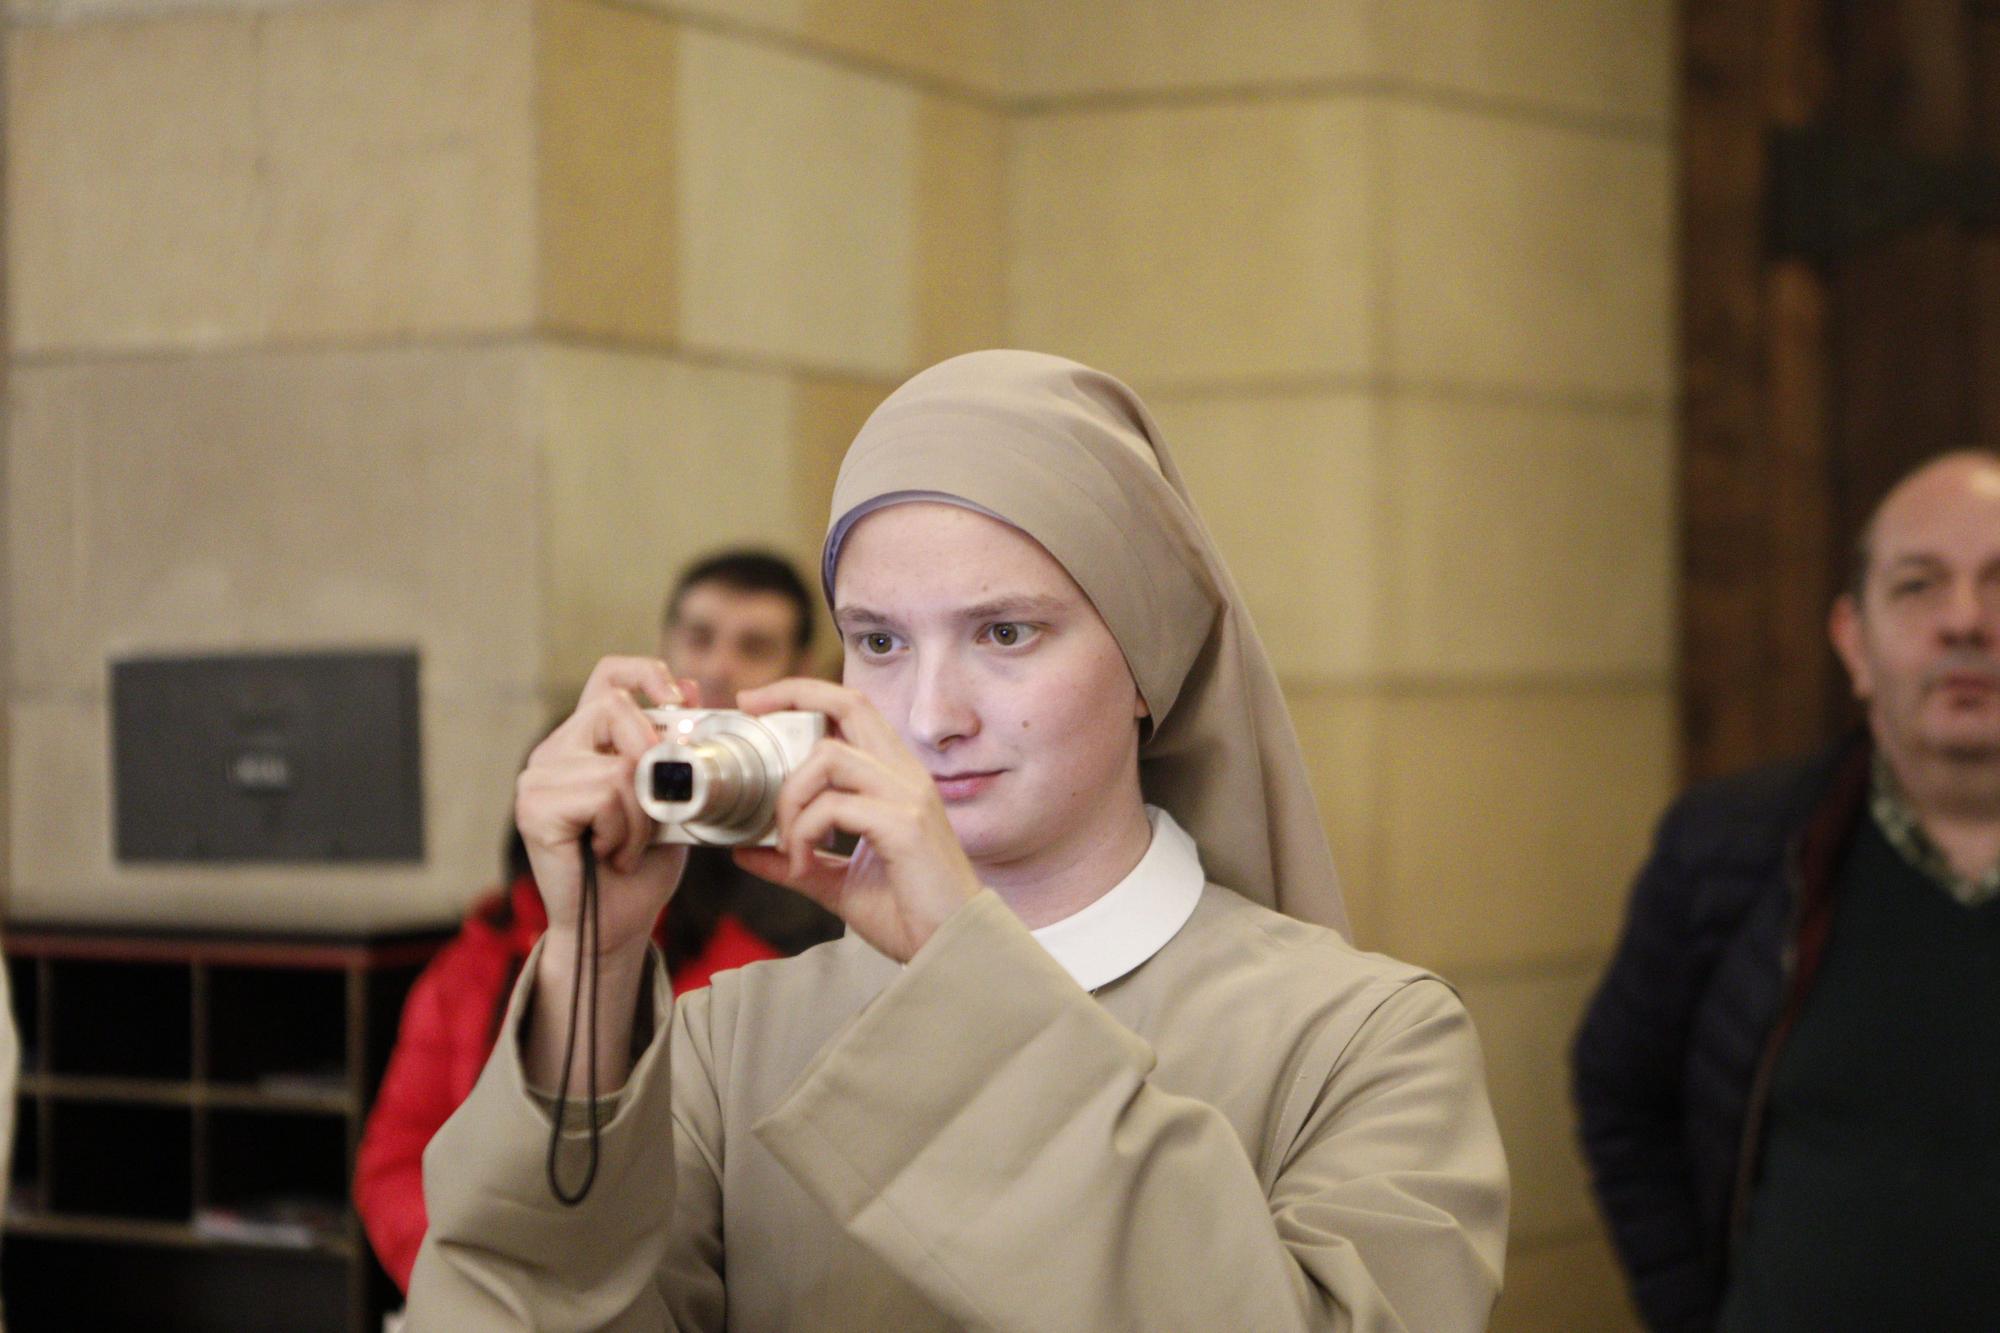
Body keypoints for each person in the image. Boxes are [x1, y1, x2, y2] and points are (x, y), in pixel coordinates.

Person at [406, 350, 1509, 1330]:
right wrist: (591, 966)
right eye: (878, 640)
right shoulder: (726, 1039)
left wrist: (957, 962)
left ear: (1147, 661)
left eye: (1005, 631)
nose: (931, 713)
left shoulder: (1366, 1042)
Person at [1573, 450, 2000, 1331]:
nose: (1965, 621)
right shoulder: (1731, 850)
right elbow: (1621, 1092)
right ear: (1854, 640)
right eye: (1918, 585)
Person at [354, 550, 840, 1294]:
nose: (717, 668)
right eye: (700, 636)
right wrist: (475, 1284)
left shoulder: (810, 907)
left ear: (802, 669)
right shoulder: (488, 953)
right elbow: (397, 1153)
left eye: (754, 645)